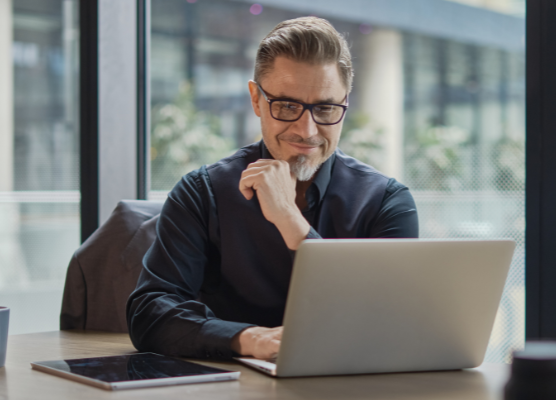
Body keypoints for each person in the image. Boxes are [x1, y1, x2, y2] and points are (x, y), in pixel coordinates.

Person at [126, 16, 418, 361]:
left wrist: (289, 220)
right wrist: (249, 340)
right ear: (256, 100)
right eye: (287, 106)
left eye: (325, 108)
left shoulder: (387, 202)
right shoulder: (202, 192)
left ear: (345, 104)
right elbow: (149, 313)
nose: (307, 130)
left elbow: (389, 323)